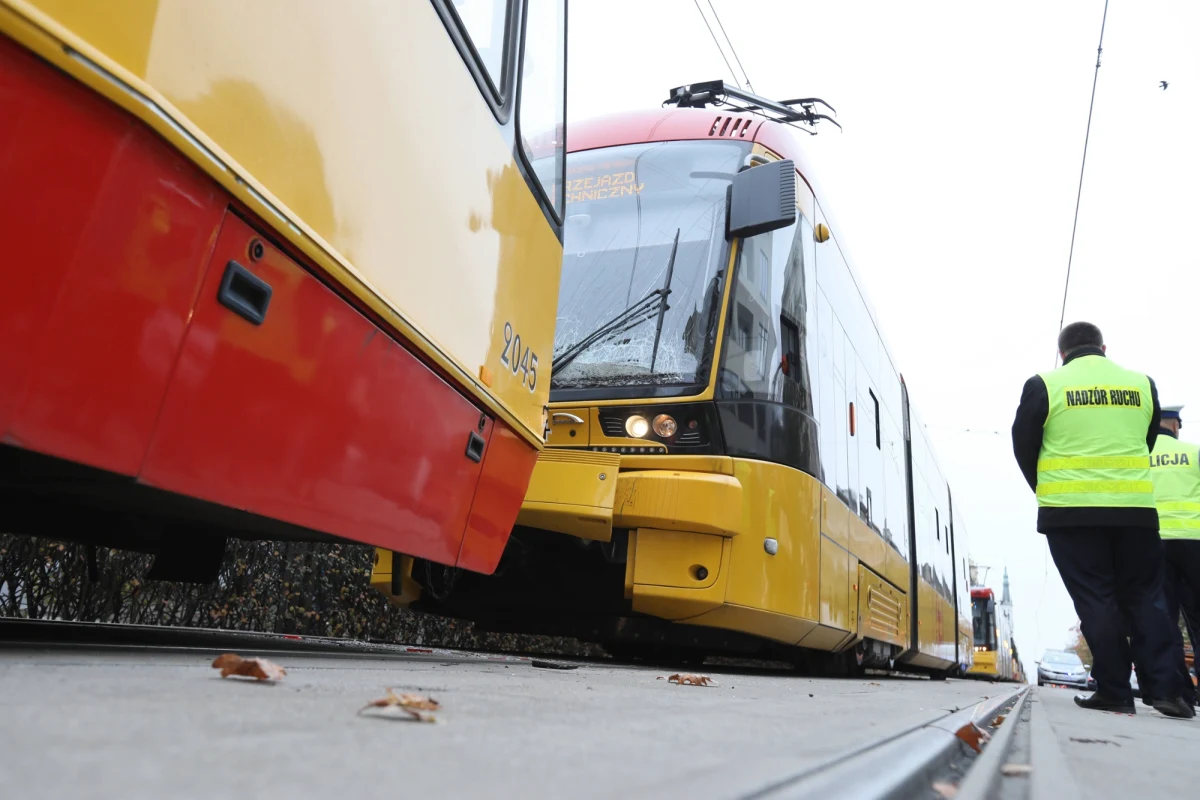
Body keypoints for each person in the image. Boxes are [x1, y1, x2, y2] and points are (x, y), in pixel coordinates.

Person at [1011, 321, 1193, 718]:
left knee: (1096, 597)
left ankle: (1114, 690)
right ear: (1104, 348)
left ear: (1062, 353)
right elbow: (1147, 440)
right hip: (1136, 512)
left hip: (1070, 514)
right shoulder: (1142, 384)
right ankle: (1168, 691)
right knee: (1146, 597)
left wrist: (1046, 488)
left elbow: (1023, 444)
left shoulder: (1045, 385)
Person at [1145, 404, 1200, 707]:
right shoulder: (1194, 453)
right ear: (1176, 426)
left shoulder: (1142, 455)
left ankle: (1180, 694)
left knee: (1166, 619)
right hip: (1195, 543)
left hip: (1156, 544)